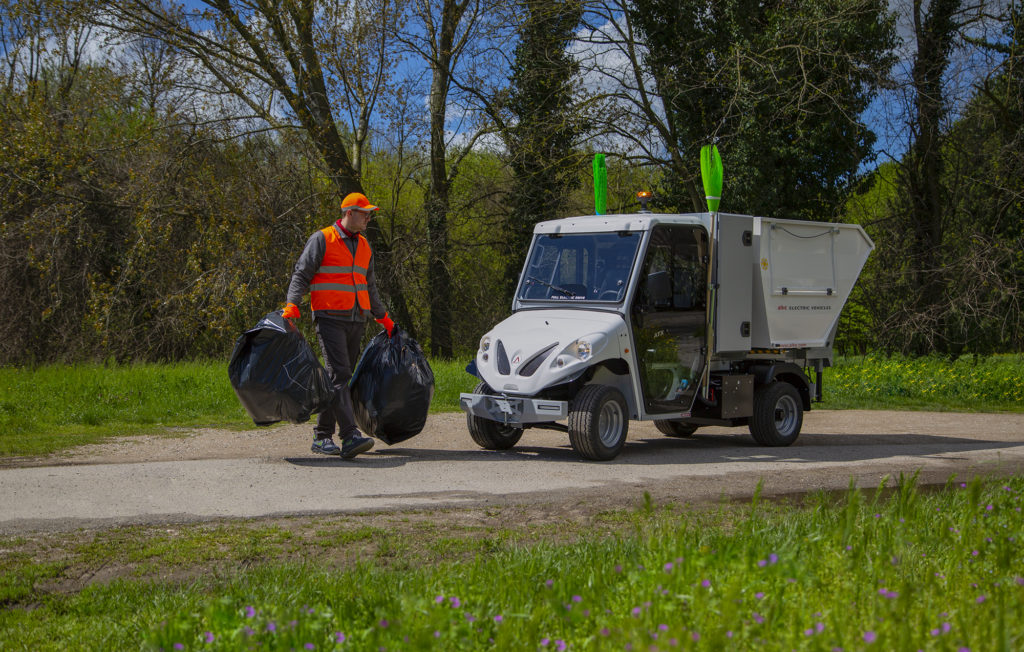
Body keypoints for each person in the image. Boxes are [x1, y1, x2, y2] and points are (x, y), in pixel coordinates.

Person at [282, 192, 395, 459]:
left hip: (357, 319)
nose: (368, 217)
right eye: (364, 212)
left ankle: (322, 437)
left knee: (339, 380)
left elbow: (370, 286)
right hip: (329, 317)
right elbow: (302, 273)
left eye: (369, 212)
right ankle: (349, 435)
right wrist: (291, 304)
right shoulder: (322, 239)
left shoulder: (365, 246)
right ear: (349, 213)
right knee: (340, 375)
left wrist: (383, 317)